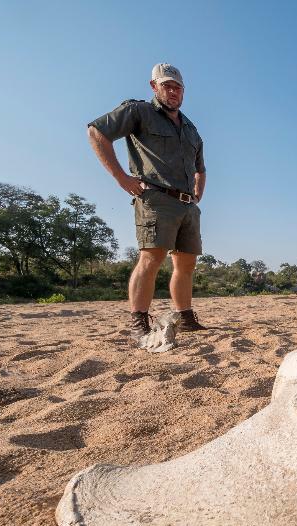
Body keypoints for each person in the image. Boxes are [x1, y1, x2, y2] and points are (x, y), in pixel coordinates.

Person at [87, 63, 207, 339]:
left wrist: (198, 192)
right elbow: (96, 132)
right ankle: (139, 319)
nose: (173, 91)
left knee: (186, 264)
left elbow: (201, 167)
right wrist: (121, 178)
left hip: (188, 204)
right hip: (156, 198)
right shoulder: (139, 111)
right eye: (167, 85)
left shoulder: (190, 128)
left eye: (178, 87)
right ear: (154, 86)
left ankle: (185, 316)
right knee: (151, 258)